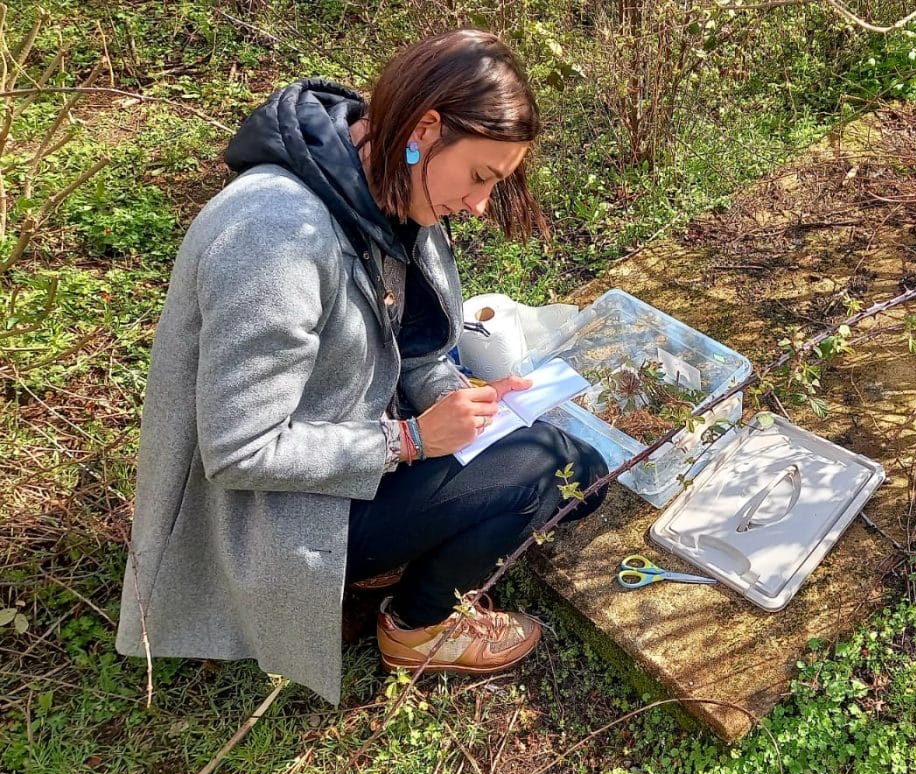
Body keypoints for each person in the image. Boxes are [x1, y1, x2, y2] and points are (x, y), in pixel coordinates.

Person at [115, 30, 609, 703]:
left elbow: (419, 347)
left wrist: (468, 401)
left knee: (584, 474)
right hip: (270, 518)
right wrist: (408, 441)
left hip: (348, 452)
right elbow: (238, 450)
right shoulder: (273, 238)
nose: (480, 205)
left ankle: (386, 560)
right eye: (481, 178)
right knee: (555, 468)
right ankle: (416, 627)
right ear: (427, 128)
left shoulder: (390, 178)